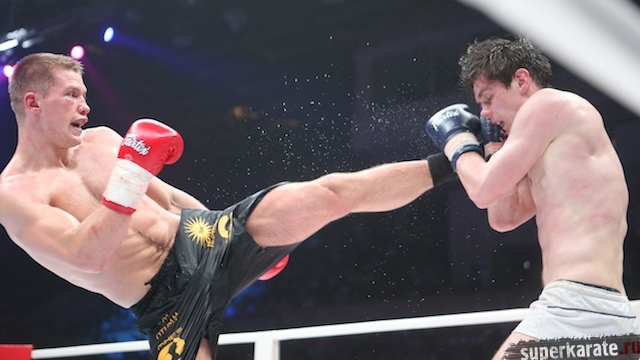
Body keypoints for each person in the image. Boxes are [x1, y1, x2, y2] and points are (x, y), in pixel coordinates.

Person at [0, 52, 456, 360]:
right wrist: (131, 173)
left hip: (204, 237)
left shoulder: (101, 140)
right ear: (34, 102)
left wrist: (234, 231)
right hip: (165, 300)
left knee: (329, 193)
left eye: (84, 94)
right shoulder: (14, 194)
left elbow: (169, 198)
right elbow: (86, 255)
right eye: (71, 95)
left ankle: (458, 157)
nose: (85, 106)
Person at [425, 36, 638, 359]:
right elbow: (503, 217)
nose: (485, 114)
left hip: (575, 306)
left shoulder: (548, 105)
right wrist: (493, 148)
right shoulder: (552, 147)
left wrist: (457, 143)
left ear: (522, 80)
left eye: (488, 99)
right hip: (605, 310)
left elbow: (482, 191)